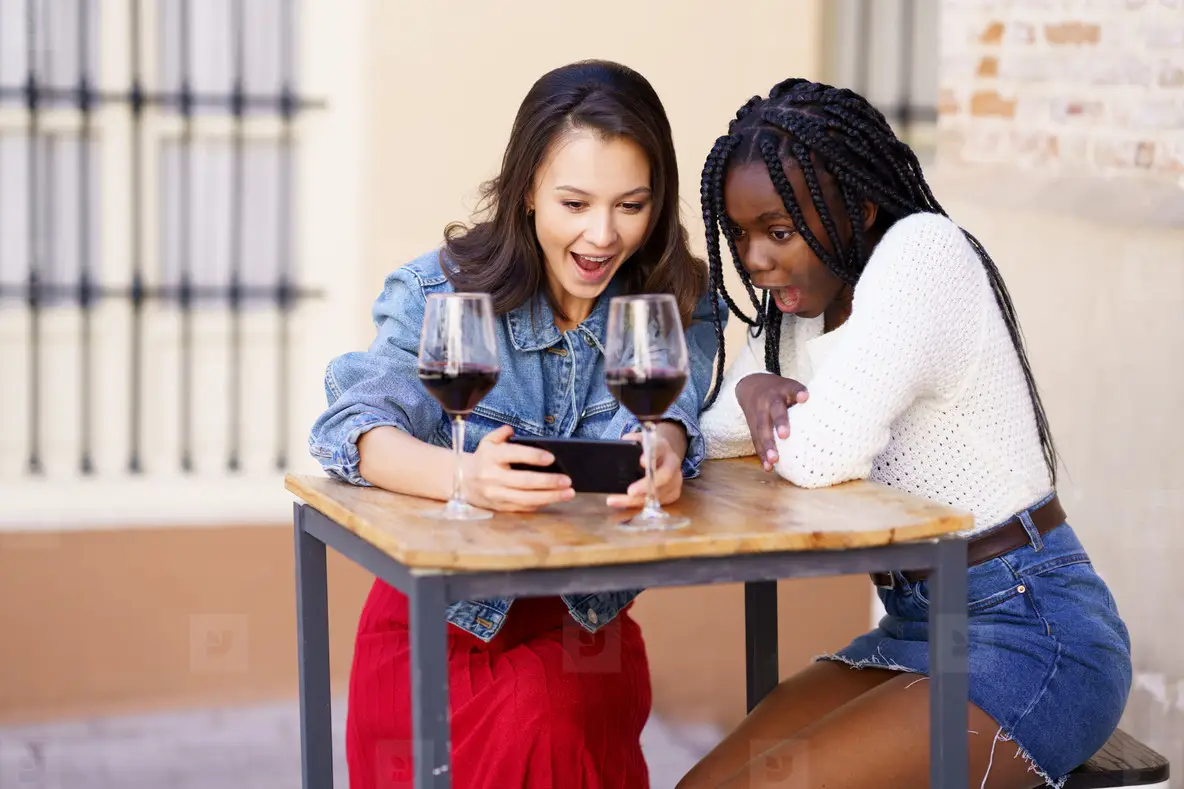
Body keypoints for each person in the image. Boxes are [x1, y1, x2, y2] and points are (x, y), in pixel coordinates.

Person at [680, 79, 1132, 789]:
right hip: (914, 625)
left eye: (778, 229)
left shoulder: (923, 252)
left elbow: (823, 455)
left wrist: (775, 408)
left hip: (1029, 628)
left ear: (856, 210)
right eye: (741, 234)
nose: (756, 261)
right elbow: (718, 437)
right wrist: (751, 384)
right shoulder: (805, 300)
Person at [308, 59, 720, 789]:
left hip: (584, 629)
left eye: (632, 205)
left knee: (556, 714)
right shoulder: (439, 291)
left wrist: (663, 449)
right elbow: (354, 424)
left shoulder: (675, 298)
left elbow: (673, 412)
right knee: (539, 717)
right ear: (527, 189)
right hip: (439, 625)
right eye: (574, 202)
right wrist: (462, 475)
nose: (602, 235)